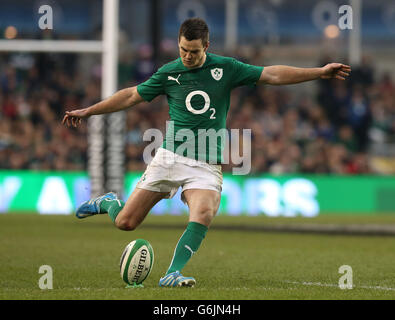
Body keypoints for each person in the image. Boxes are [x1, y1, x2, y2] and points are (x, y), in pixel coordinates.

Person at [62, 18, 351, 287]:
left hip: (205, 163)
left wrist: (320, 73)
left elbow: (272, 75)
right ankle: (109, 202)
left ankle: (172, 273)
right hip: (169, 158)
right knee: (126, 222)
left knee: (203, 211)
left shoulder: (226, 68)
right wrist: (89, 111)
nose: (187, 56)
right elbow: (130, 95)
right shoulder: (169, 72)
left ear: (207, 46)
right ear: (178, 44)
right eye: (183, 50)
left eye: (194, 51)